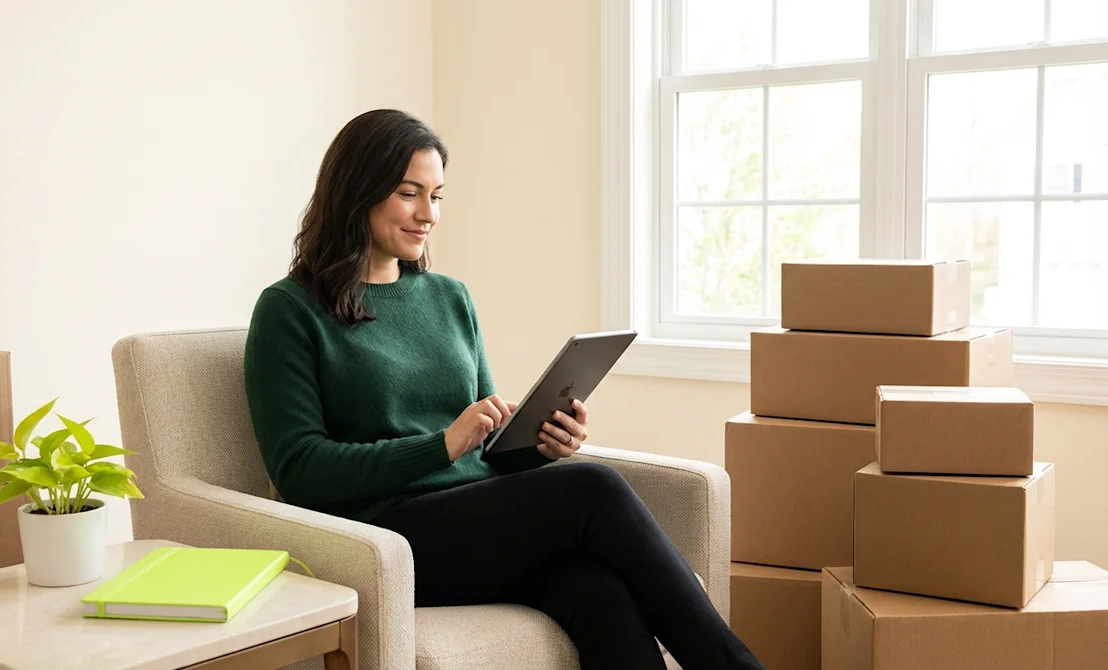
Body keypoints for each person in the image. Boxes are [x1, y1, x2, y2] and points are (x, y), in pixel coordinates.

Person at [242, 109, 764, 670]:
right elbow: (299, 469)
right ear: (356, 192)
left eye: (437, 196)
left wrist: (540, 443)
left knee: (599, 592)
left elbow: (488, 447)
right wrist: (441, 445)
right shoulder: (289, 310)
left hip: (474, 520)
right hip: (385, 537)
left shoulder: (449, 298)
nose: (428, 214)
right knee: (592, 487)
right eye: (409, 194)